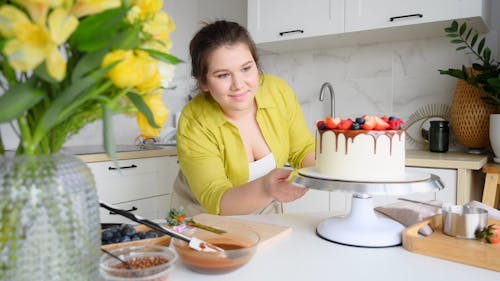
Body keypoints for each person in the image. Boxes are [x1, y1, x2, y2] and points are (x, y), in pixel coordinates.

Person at [171, 20, 315, 216]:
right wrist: (267, 188)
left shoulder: (277, 92)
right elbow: (216, 199)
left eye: (246, 68)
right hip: (204, 221)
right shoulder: (195, 120)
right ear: (204, 82)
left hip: (266, 210)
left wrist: (322, 171)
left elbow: (303, 149)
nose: (238, 84)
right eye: (223, 75)